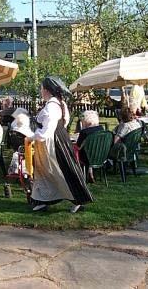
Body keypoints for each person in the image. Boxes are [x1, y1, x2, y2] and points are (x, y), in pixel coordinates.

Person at [29, 76, 93, 213]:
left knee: (61, 170)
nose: (41, 91)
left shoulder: (52, 106)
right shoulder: (60, 103)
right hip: (60, 138)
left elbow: (47, 130)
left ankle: (78, 199)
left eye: (42, 89)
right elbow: (65, 121)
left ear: (47, 90)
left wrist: (32, 137)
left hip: (54, 142)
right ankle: (42, 200)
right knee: (46, 172)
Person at [76, 110, 104, 183]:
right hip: (101, 155)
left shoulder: (84, 132)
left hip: (87, 157)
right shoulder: (101, 129)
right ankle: (90, 173)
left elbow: (78, 146)